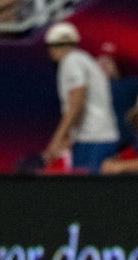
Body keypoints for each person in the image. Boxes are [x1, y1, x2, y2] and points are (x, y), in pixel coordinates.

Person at [42, 22, 119, 174]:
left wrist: (58, 139)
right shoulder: (86, 60)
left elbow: (77, 103)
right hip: (101, 136)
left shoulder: (71, 62)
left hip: (92, 139)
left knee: (87, 193)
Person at [95, 41, 138, 150]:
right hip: (98, 144)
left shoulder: (133, 83)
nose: (103, 65)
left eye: (109, 61)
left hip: (129, 144)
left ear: (117, 65)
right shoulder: (86, 90)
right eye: (100, 60)